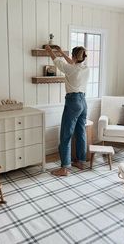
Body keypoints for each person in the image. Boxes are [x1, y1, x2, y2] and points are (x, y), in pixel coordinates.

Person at [45, 44, 90, 176]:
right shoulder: (86, 68)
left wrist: (50, 51)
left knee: (66, 134)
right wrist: (61, 52)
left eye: (72, 55)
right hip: (83, 102)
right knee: (81, 132)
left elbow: (57, 62)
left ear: (75, 56)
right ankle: (80, 161)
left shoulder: (70, 69)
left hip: (73, 102)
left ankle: (64, 168)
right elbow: (73, 63)